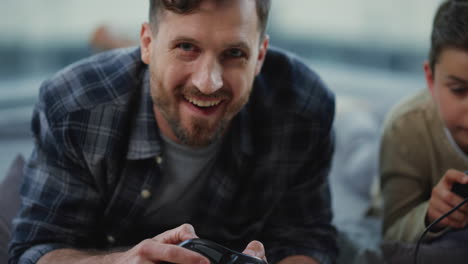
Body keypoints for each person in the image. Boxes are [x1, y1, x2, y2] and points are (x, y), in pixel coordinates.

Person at [9, 0, 338, 263]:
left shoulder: (304, 107)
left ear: (260, 55)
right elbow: (36, 249)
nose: (208, 82)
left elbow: (306, 236)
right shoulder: (73, 104)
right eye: (186, 47)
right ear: (148, 43)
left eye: (234, 53)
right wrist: (121, 262)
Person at [380, 0, 468, 243]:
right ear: (430, 78)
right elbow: (390, 234)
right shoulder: (405, 128)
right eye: (459, 89)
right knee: (358, 149)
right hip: (389, 165)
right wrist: (429, 214)